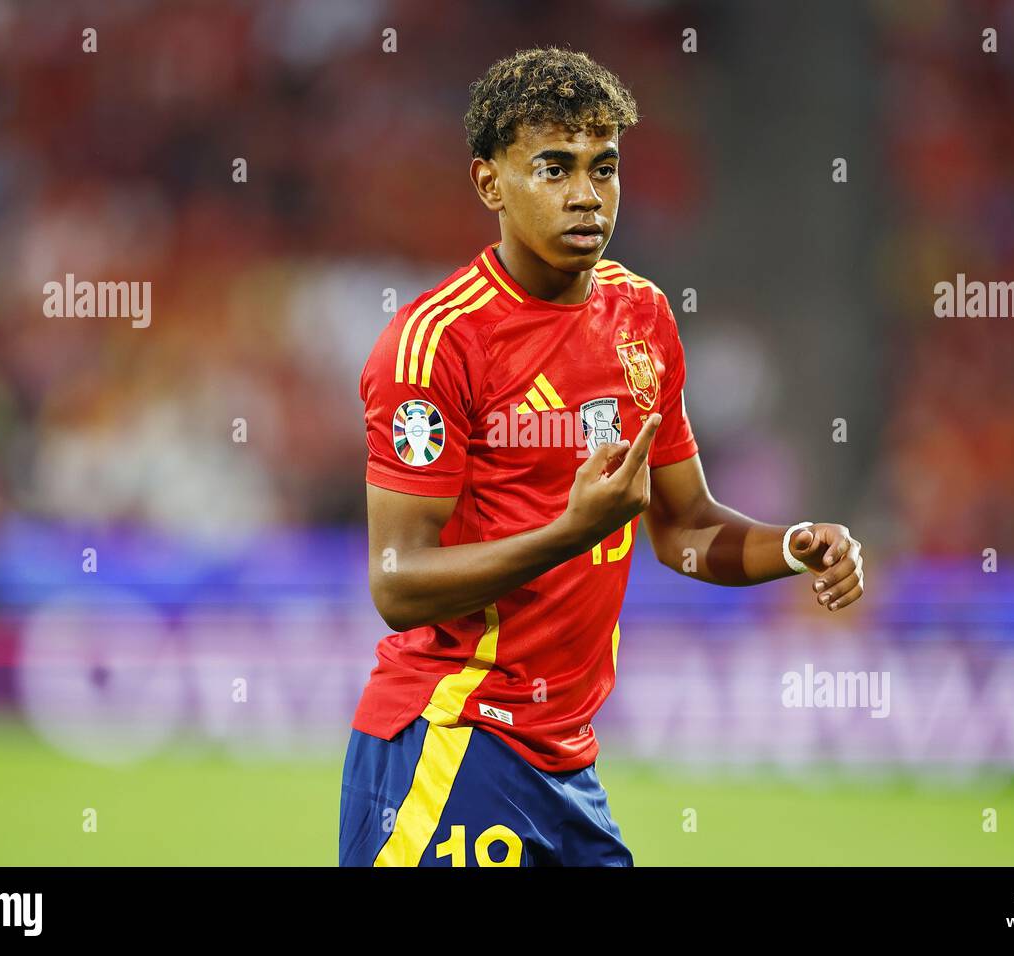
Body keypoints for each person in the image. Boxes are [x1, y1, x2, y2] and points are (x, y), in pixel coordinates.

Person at [340, 47, 864, 867]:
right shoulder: (434, 345)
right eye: (554, 168)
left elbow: (685, 530)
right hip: (451, 741)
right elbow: (397, 583)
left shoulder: (642, 318)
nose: (587, 194)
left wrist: (792, 545)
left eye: (604, 167)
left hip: (567, 762)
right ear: (490, 185)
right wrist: (568, 532)